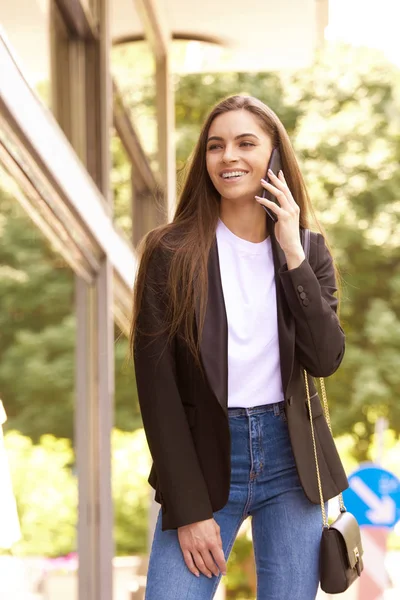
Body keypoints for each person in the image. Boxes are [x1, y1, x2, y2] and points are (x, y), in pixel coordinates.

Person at [131, 95, 348, 600]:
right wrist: (188, 508)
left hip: (291, 464)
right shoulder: (170, 252)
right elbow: (157, 391)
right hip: (204, 460)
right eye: (216, 146)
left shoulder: (309, 251)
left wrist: (292, 250)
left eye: (246, 143)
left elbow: (325, 357)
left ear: (274, 157)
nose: (228, 156)